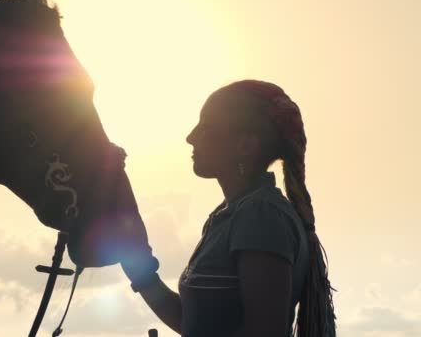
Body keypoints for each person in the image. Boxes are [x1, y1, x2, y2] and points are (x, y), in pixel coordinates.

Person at [120, 80, 337, 336]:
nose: (190, 137)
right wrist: (141, 272)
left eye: (205, 127)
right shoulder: (232, 215)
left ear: (245, 145)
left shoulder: (261, 216)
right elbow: (195, 325)